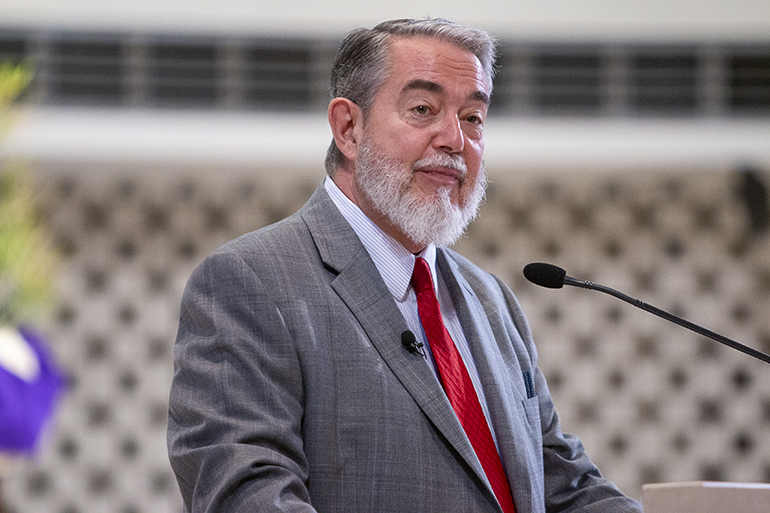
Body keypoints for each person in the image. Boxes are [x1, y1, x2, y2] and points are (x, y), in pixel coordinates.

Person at [167, 18, 643, 512]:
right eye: (423, 109)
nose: (455, 140)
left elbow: (565, 487)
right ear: (348, 128)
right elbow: (246, 495)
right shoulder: (250, 283)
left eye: (474, 117)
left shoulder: (492, 300)